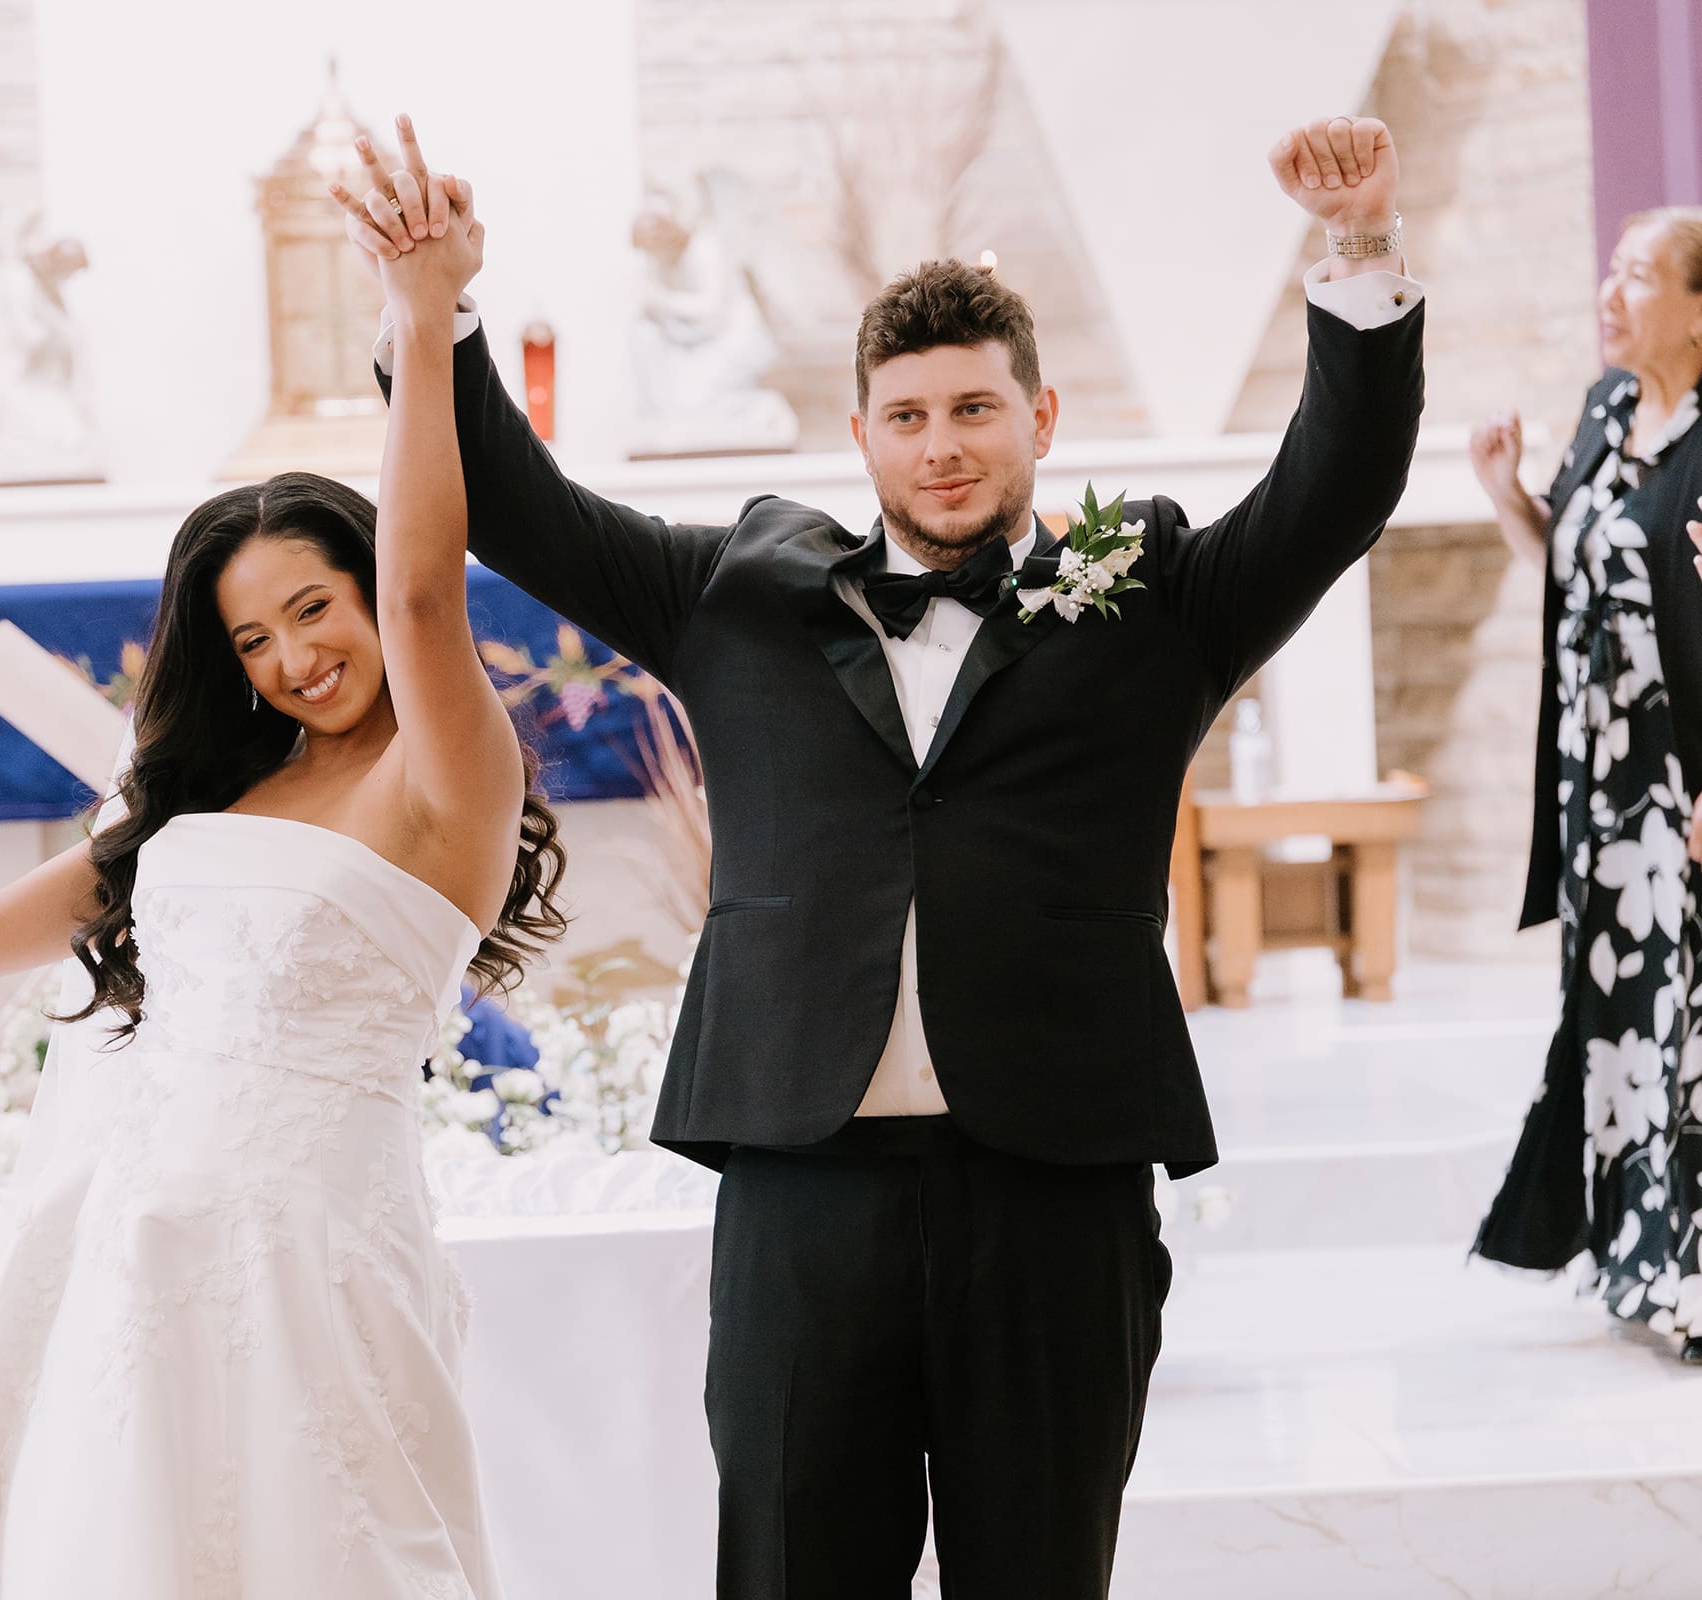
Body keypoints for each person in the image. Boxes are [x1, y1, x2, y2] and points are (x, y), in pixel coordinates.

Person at [335, 113, 1423, 1596]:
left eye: (975, 408)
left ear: (1042, 419)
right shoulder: (735, 592)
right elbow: (524, 512)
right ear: (860, 438)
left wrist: (1357, 248)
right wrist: (436, 304)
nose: (942, 445)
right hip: (804, 1184)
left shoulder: (1156, 598)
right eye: (907, 416)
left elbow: (1337, 487)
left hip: (1056, 1187)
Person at [0, 181, 561, 1595]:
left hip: (312, 1258)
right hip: (118, 1248)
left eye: (314, 608)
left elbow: (424, 594)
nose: (294, 659)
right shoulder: (209, 795)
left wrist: (418, 315)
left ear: (366, 591)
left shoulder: (444, 775)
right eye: (253, 639)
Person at [1469, 205, 1702, 1364]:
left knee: (1687, 1029)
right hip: (1597, 793)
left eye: (1640, 275)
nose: (1612, 293)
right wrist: (1508, 494)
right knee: (1615, 1025)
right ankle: (1633, 1255)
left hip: (1680, 791)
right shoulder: (1608, 411)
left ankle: (1689, 1268)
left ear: (1699, 310)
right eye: (1611, 270)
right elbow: (1573, 572)